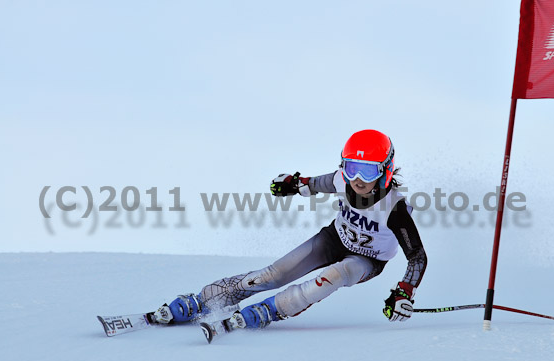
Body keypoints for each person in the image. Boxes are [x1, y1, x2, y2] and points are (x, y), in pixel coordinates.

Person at [152, 129, 427, 331]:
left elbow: (417, 257)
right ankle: (204, 300)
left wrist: (404, 291)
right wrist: (293, 185)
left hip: (367, 260)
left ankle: (271, 309)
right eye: (352, 168)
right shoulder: (342, 179)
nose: (357, 180)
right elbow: (313, 183)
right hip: (334, 239)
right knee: (274, 274)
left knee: (335, 275)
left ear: (385, 171)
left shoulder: (395, 209)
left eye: (367, 172)